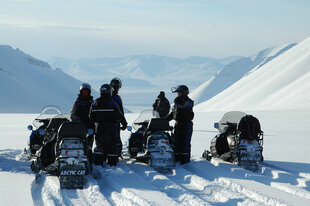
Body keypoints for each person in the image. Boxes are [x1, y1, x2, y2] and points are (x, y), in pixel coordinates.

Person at [89, 84, 124, 166]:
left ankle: (98, 164)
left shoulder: (95, 103)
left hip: (99, 127)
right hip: (111, 128)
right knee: (112, 146)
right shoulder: (113, 102)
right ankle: (112, 165)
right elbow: (119, 116)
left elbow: (91, 117)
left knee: (99, 145)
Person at [167, 85, 194, 164]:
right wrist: (164, 120)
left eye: (179, 93)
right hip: (178, 124)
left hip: (186, 124)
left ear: (184, 93)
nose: (178, 94)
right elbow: (173, 113)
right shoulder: (178, 101)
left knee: (185, 142)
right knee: (176, 141)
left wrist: (178, 103)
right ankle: (177, 158)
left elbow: (183, 110)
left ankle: (185, 160)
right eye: (178, 93)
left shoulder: (187, 102)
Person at [70, 83, 95, 150]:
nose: (85, 93)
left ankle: (89, 150)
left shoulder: (92, 102)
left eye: (86, 91)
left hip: (90, 124)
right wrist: (78, 121)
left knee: (90, 137)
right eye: (83, 91)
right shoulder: (77, 101)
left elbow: (95, 113)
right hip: (79, 125)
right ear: (81, 92)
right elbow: (73, 113)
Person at [109, 77, 128, 157]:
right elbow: (121, 112)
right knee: (116, 140)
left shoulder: (102, 98)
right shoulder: (117, 98)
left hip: (101, 124)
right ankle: (116, 155)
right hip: (114, 123)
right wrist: (124, 123)